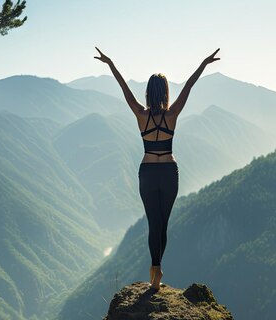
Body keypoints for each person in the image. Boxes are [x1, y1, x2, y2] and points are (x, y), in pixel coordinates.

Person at [94, 47, 221, 291]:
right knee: (163, 223)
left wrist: (110, 64)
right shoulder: (172, 114)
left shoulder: (141, 115)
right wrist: (204, 64)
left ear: (148, 93)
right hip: (169, 173)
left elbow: (124, 90)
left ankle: (155, 269)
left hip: (148, 172)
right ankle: (158, 270)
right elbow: (189, 87)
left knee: (154, 222)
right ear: (164, 92)